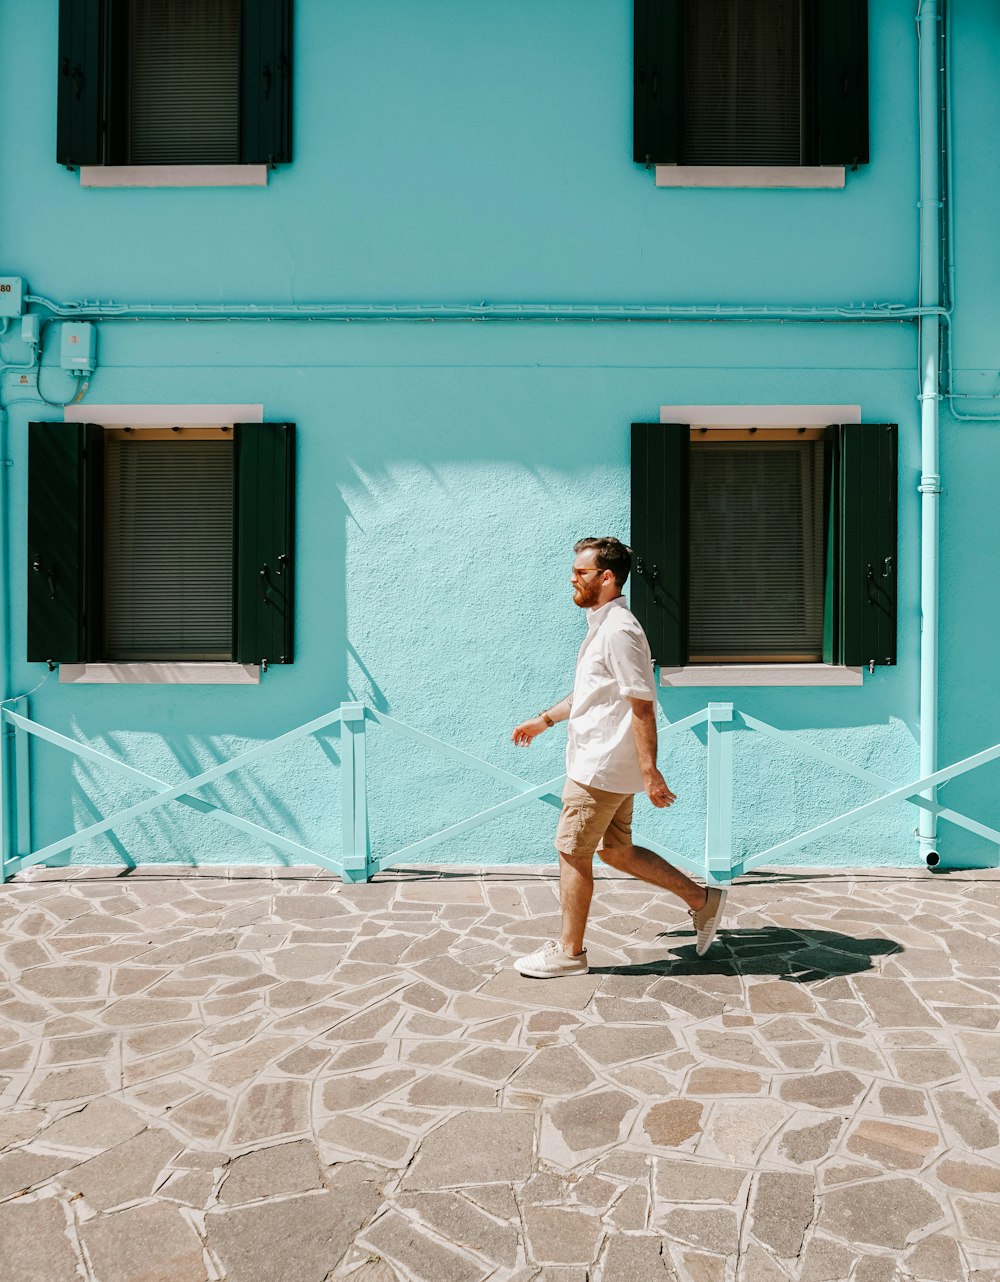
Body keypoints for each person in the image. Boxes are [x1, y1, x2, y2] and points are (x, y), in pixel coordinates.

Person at [510, 536, 726, 977]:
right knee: (618, 852)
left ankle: (570, 954)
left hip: (599, 767)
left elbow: (642, 703)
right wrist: (544, 720)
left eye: (580, 572)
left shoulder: (619, 631)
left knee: (572, 852)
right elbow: (592, 694)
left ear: (607, 578)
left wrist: (651, 772)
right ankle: (703, 901)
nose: (572, 578)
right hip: (602, 762)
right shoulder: (602, 626)